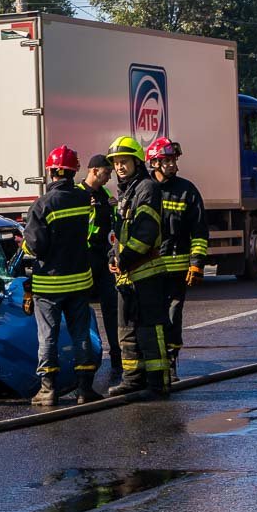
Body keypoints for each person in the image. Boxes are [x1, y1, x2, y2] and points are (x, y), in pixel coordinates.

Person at [23, 146, 100, 406]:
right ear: (74, 170)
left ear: (51, 171)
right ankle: (85, 389)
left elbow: (34, 246)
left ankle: (48, 390)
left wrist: (24, 241)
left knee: (48, 337)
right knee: (81, 334)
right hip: (80, 280)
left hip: (49, 284)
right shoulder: (82, 199)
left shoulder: (42, 204)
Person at [105, 135, 170, 397]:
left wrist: (123, 259)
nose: (119, 167)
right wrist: (113, 257)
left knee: (150, 329)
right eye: (116, 163)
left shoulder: (146, 189)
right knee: (126, 329)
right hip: (127, 275)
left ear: (136, 161)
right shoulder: (126, 193)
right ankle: (133, 378)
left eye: (124, 161)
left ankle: (157, 382)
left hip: (146, 273)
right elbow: (119, 233)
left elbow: (145, 232)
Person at [146, 137, 208, 382]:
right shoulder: (143, 189)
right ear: (155, 162)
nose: (173, 165)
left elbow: (199, 231)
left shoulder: (187, 190)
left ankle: (170, 365)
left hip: (176, 269)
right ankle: (150, 367)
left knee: (172, 315)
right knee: (150, 318)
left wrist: (196, 262)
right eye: (167, 160)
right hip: (147, 270)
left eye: (174, 160)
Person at [79, 154, 121, 385]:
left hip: (103, 257)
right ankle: (85, 360)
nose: (109, 178)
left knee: (111, 308)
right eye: (106, 173)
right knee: (82, 311)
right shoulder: (78, 193)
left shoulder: (105, 196)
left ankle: (117, 357)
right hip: (84, 257)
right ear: (94, 171)